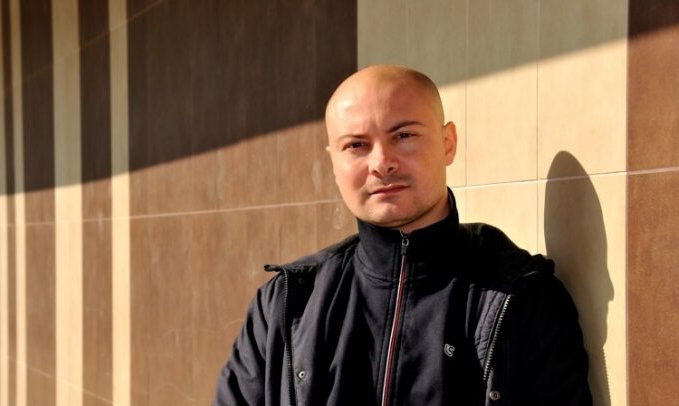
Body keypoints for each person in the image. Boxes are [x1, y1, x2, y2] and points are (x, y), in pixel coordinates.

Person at [214, 65, 592, 405]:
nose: (382, 163)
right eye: (356, 145)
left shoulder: (521, 298)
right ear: (334, 163)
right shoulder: (288, 302)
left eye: (404, 135)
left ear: (448, 143)